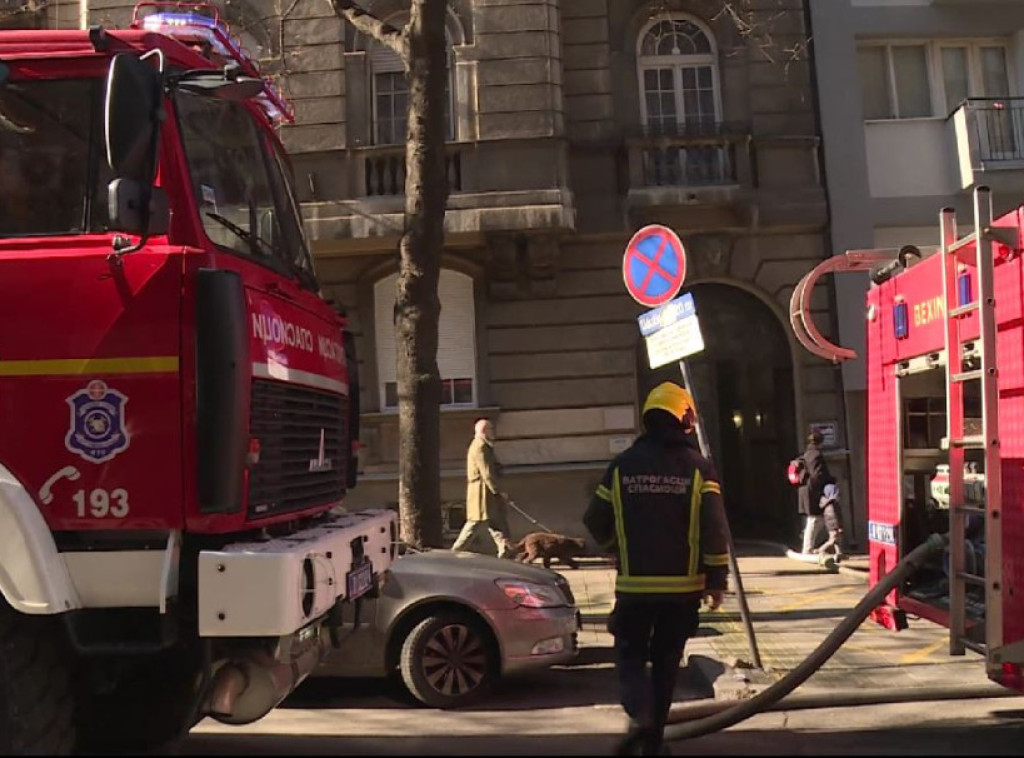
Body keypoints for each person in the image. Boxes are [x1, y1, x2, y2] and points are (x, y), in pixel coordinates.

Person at [584, 382, 730, 756]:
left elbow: (595, 520)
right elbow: (715, 530)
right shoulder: (699, 469)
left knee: (630, 654)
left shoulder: (622, 467)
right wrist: (716, 581)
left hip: (634, 588)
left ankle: (641, 715)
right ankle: (654, 740)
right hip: (683, 590)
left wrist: (616, 548)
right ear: (683, 419)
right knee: (667, 661)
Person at [451, 418, 513, 558]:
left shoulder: (485, 446)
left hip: (487, 492)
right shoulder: (480, 447)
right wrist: (498, 491)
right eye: (490, 429)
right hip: (482, 492)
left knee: (497, 522)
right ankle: (454, 552)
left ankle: (506, 551)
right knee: (474, 523)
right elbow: (487, 472)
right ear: (484, 431)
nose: (493, 432)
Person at [797, 431, 833, 555]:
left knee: (814, 520)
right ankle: (807, 549)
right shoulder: (816, 455)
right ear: (820, 442)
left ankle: (807, 545)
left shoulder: (805, 455)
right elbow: (818, 475)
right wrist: (830, 481)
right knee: (815, 519)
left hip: (805, 490)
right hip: (812, 491)